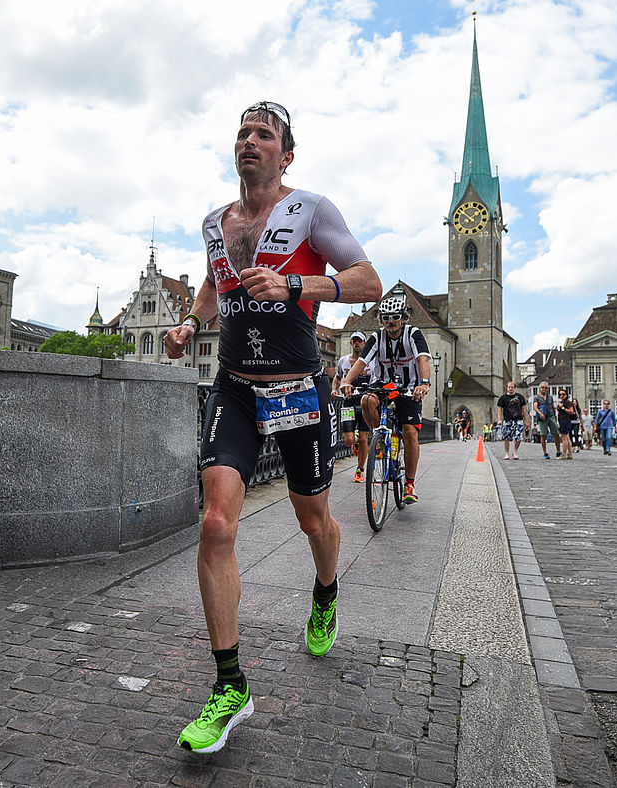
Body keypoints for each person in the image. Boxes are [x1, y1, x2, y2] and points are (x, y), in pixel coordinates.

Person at [164, 100, 382, 753]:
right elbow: (212, 286)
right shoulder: (216, 223)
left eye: (265, 134)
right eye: (243, 133)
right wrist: (191, 323)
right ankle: (229, 687)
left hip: (298, 388)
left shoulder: (312, 210)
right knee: (214, 523)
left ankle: (325, 590)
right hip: (235, 387)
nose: (250, 141)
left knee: (313, 519)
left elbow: (366, 280)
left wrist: (296, 289)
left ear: (286, 155)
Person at [340, 293, 432, 504]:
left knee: (410, 432)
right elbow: (362, 362)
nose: (390, 321)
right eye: (385, 317)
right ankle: (380, 438)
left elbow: (423, 359)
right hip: (383, 385)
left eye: (395, 317)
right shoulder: (376, 337)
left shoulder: (413, 334)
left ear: (403, 318)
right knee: (366, 401)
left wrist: (424, 383)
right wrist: (347, 381)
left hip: (409, 388)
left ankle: (409, 484)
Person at [332, 331, 373, 483]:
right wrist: (334, 389)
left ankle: (360, 470)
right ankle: (353, 439)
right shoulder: (343, 361)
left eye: (359, 341)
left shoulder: (372, 361)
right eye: (354, 341)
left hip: (364, 403)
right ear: (351, 343)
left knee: (363, 438)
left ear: (364, 343)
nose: (356, 343)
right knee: (349, 440)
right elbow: (337, 378)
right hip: (348, 402)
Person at [496, 381, 530, 460]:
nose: (510, 388)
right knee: (506, 437)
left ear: (514, 388)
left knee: (518, 437)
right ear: (507, 388)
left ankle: (515, 452)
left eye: (512, 387)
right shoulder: (503, 398)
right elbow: (500, 409)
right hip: (508, 420)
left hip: (518, 419)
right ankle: (507, 453)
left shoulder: (520, 397)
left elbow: (524, 409)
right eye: (509, 387)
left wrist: (526, 421)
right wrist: (499, 420)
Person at [532, 383, 559, 459]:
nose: (544, 389)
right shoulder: (536, 397)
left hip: (550, 416)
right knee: (543, 435)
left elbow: (553, 407)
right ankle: (545, 452)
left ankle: (558, 451)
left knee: (556, 434)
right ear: (540, 388)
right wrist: (540, 414)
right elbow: (535, 407)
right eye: (543, 387)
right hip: (542, 418)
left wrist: (555, 416)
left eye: (546, 388)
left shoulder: (550, 397)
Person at [556, 389, 577, 459]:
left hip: (564, 421)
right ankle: (570, 453)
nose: (561, 396)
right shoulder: (563, 402)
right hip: (564, 420)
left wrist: (562, 408)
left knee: (564, 438)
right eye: (560, 394)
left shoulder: (567, 402)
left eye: (563, 394)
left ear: (566, 395)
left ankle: (564, 453)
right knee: (567, 438)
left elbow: (571, 411)